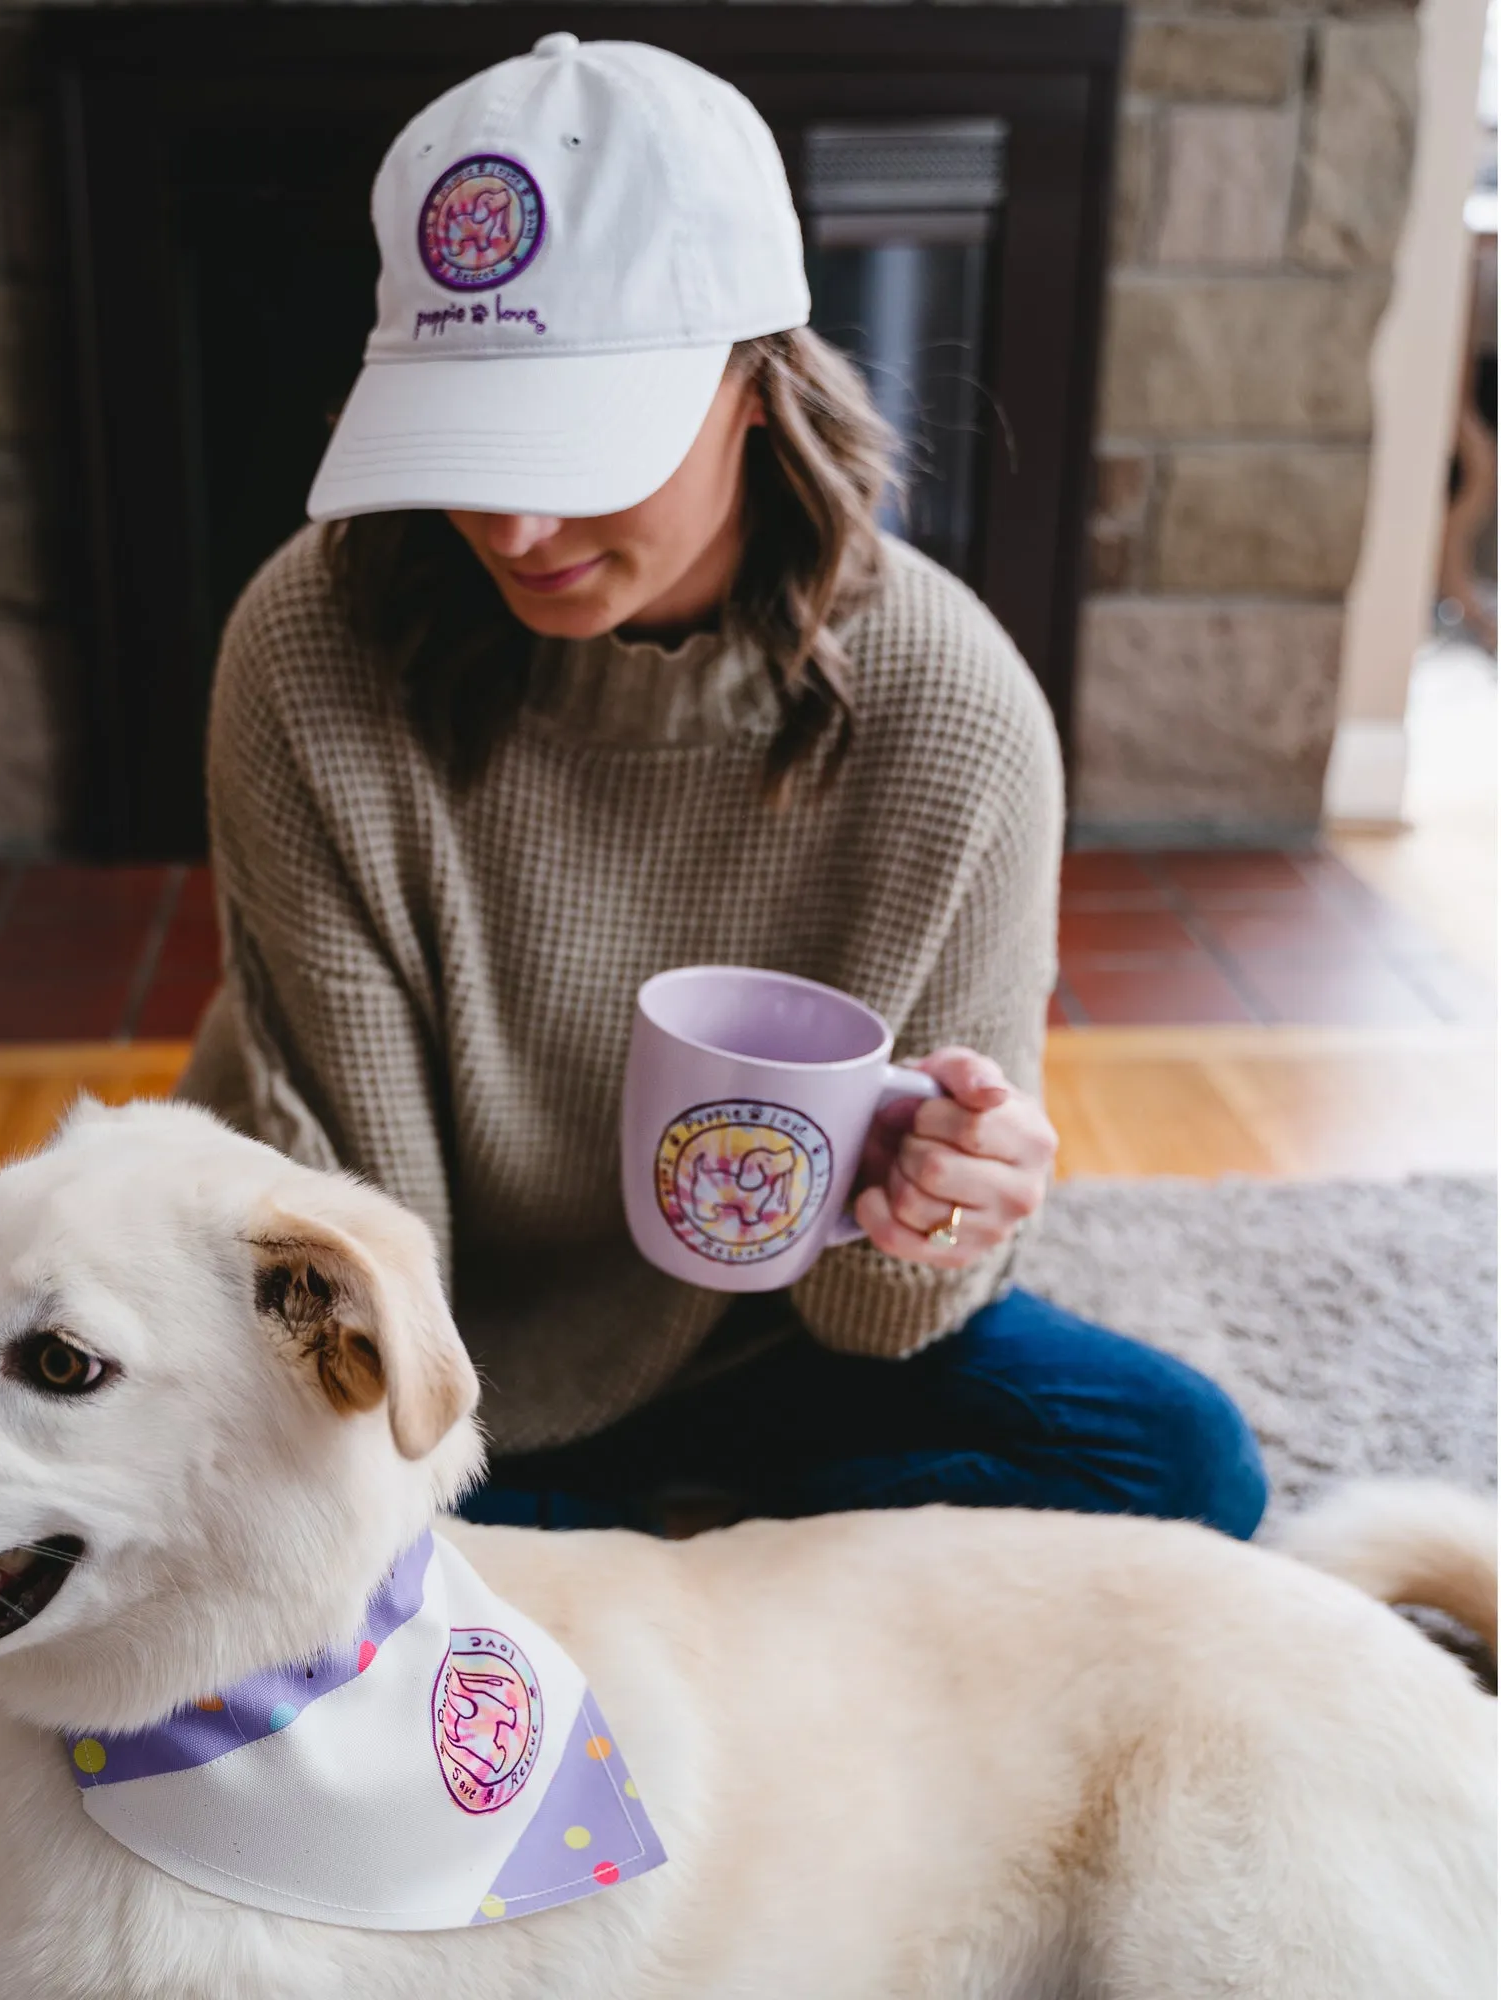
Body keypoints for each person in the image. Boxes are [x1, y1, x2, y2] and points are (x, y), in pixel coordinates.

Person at [179, 33, 1267, 1541]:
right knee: (262, 1519)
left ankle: (644, 1577)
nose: (510, 516)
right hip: (417, 1350)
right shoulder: (310, 653)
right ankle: (709, 1581)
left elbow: (882, 1325)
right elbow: (362, 1261)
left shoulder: (952, 719)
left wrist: (931, 1209)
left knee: (1178, 1467)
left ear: (758, 379)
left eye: (576, 439)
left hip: (773, 1348)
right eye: (467, 436)